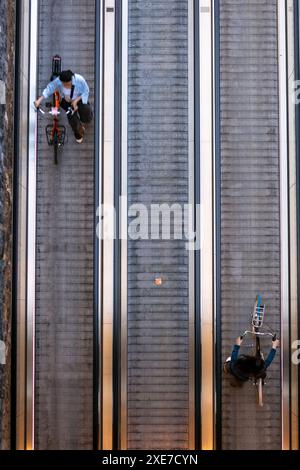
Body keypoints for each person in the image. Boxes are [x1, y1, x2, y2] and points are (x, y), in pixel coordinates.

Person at [34, 70, 93, 144]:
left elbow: (86, 91)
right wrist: (39, 100)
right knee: (72, 120)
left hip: (79, 99)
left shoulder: (79, 79)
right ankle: (79, 132)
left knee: (86, 113)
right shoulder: (59, 81)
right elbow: (50, 88)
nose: (65, 86)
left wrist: (75, 101)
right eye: (63, 84)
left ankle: (85, 119)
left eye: (67, 84)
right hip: (67, 102)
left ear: (71, 80)